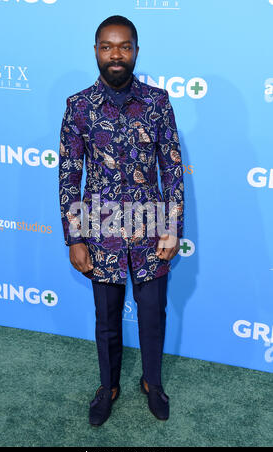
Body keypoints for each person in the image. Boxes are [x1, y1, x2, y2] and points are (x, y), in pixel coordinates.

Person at [59, 15, 184, 426]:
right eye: (108, 46)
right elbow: (68, 175)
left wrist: (171, 226)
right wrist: (74, 238)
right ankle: (107, 386)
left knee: (153, 315)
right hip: (101, 232)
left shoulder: (157, 102)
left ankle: (153, 382)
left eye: (124, 46)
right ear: (96, 50)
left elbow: (172, 168)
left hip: (151, 229)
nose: (117, 54)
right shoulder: (78, 106)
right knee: (107, 319)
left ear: (135, 51)